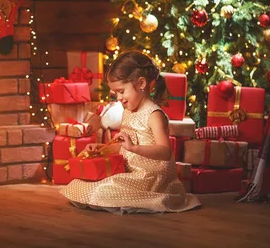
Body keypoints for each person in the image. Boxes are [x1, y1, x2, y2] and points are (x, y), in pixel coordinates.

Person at [59, 50, 201, 214]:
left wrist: (134, 148)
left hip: (150, 177)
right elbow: (123, 147)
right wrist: (102, 149)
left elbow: (165, 151)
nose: (118, 98)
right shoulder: (127, 112)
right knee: (80, 183)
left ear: (141, 84)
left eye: (121, 91)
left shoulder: (154, 115)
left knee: (103, 189)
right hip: (129, 170)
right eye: (115, 93)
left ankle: (145, 197)